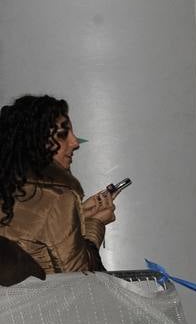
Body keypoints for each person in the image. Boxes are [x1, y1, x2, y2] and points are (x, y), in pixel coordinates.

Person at [0, 94, 115, 274]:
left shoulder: (10, 190)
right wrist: (95, 224)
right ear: (37, 141)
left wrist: (79, 218)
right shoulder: (58, 198)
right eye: (63, 135)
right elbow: (77, 279)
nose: (75, 142)